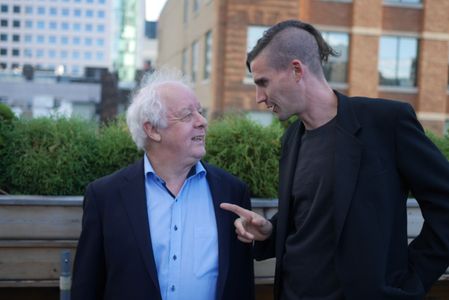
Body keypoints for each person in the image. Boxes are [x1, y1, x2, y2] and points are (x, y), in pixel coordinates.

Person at [221, 19, 449, 300]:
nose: (259, 97)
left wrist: (411, 281)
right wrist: (271, 230)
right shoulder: (292, 137)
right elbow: (312, 215)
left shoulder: (386, 123)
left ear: (296, 70)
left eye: (262, 82)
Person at [71, 69, 254, 300]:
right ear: (153, 129)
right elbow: (87, 286)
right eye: (188, 115)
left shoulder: (232, 191)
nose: (203, 122)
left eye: (200, 111)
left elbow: (241, 286)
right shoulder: (105, 196)